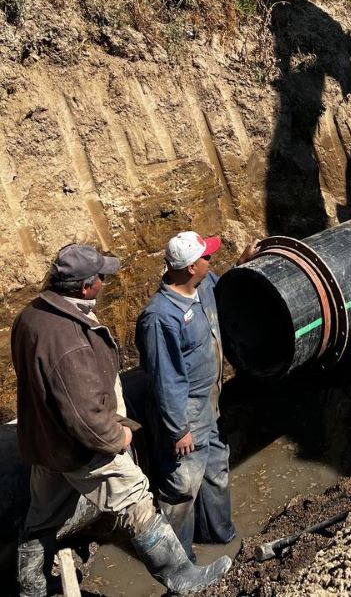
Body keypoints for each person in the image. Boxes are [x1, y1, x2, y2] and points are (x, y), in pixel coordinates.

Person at [12, 243, 230, 597]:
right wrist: (118, 438)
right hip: (82, 448)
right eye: (100, 277)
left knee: (43, 518)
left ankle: (32, 586)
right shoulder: (69, 342)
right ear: (84, 287)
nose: (105, 281)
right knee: (136, 502)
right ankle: (182, 576)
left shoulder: (32, 315)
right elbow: (84, 416)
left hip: (45, 442)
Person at [136, 231, 267, 561]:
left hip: (210, 402)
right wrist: (178, 429)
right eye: (207, 257)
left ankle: (220, 535)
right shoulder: (160, 318)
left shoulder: (203, 285)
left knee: (215, 469)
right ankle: (181, 563)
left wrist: (242, 264)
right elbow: (165, 380)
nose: (212, 260)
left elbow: (224, 291)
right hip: (184, 411)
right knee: (182, 486)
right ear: (192, 266)